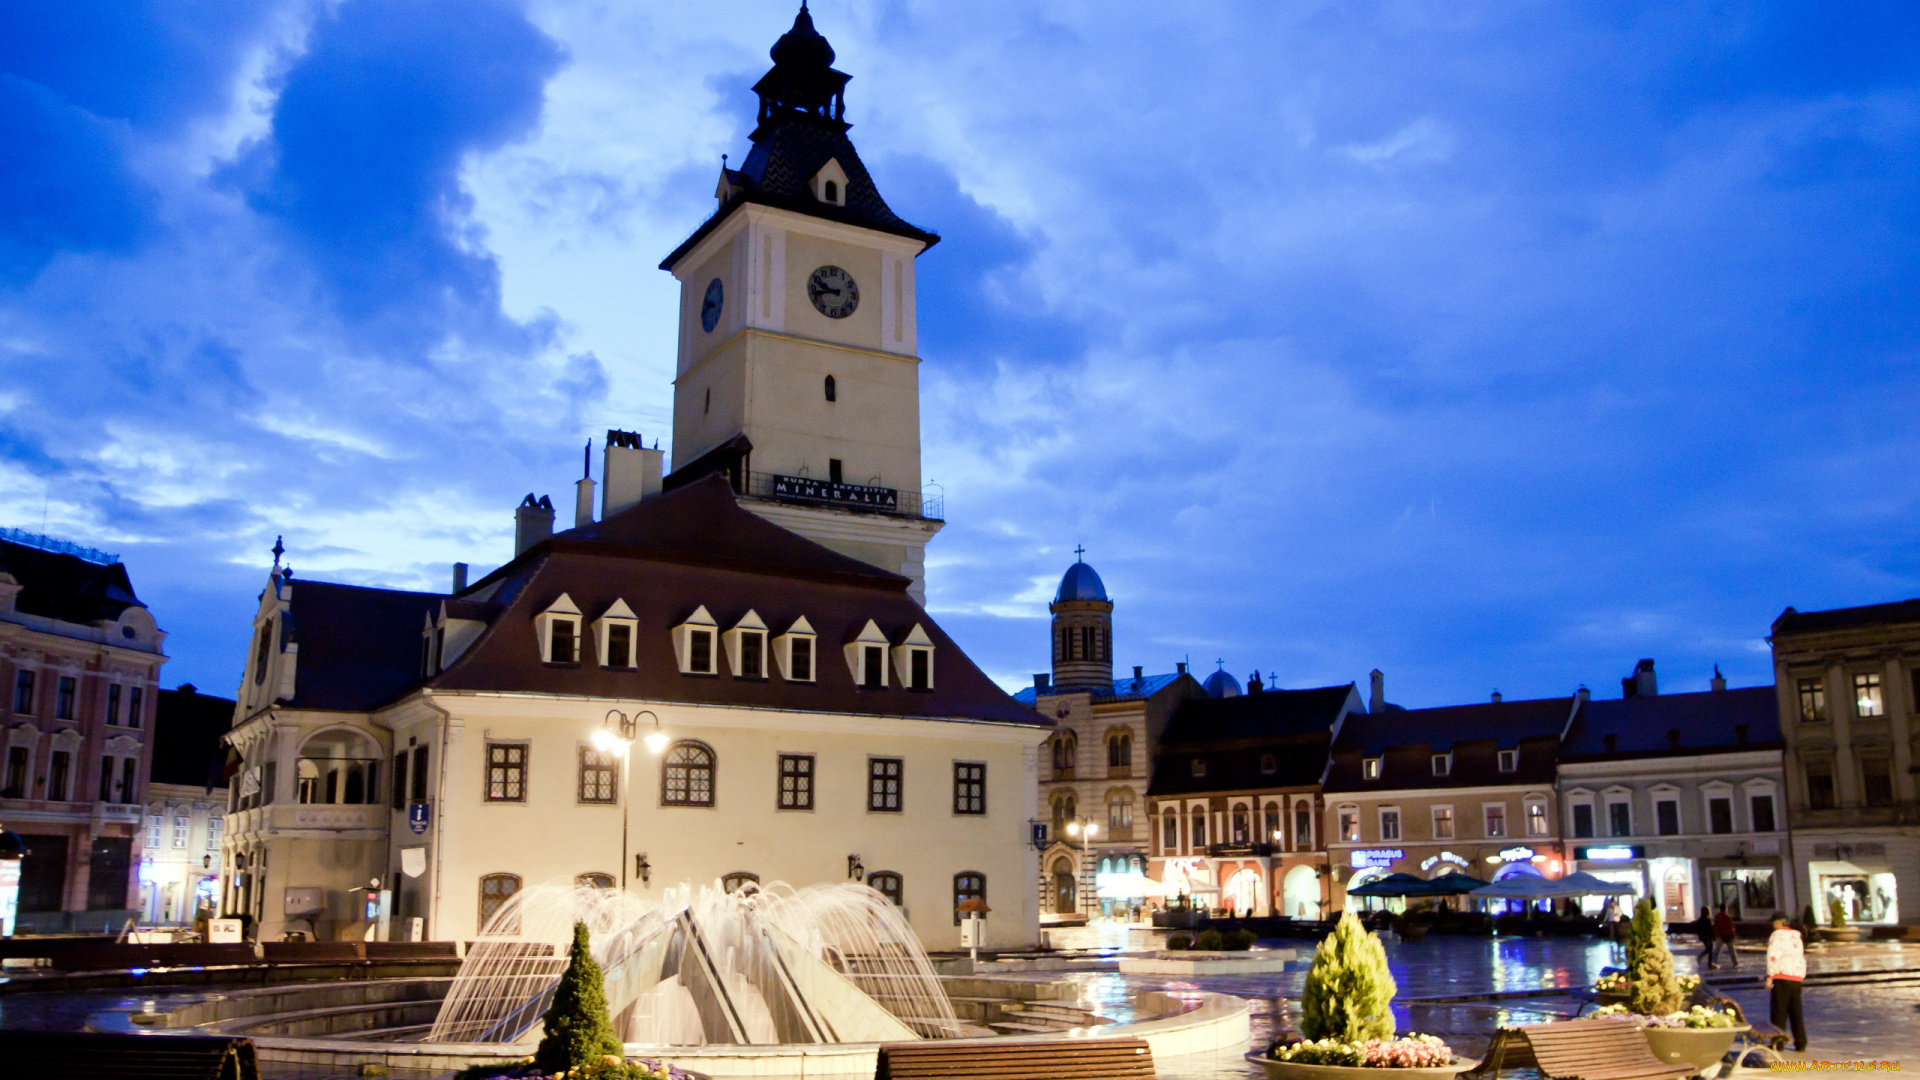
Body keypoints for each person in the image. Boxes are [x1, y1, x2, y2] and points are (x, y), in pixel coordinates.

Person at [1765, 912, 1807, 1052]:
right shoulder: (1796, 936)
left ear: (1778, 923)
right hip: (1796, 976)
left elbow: (1772, 956)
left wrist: (1770, 976)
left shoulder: (1777, 935)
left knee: (1779, 1012)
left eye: (1773, 922)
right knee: (1796, 1011)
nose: (1772, 925)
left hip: (1781, 976)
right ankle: (1801, 1042)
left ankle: (1778, 1042)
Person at [1713, 905, 1739, 969]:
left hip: (1720, 936)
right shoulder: (1728, 917)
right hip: (1728, 935)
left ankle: (1714, 962)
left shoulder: (1717, 917)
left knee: (1717, 950)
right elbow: (1731, 927)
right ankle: (1735, 962)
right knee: (1732, 949)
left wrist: (1716, 935)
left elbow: (1715, 927)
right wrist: (1734, 935)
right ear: (1725, 909)